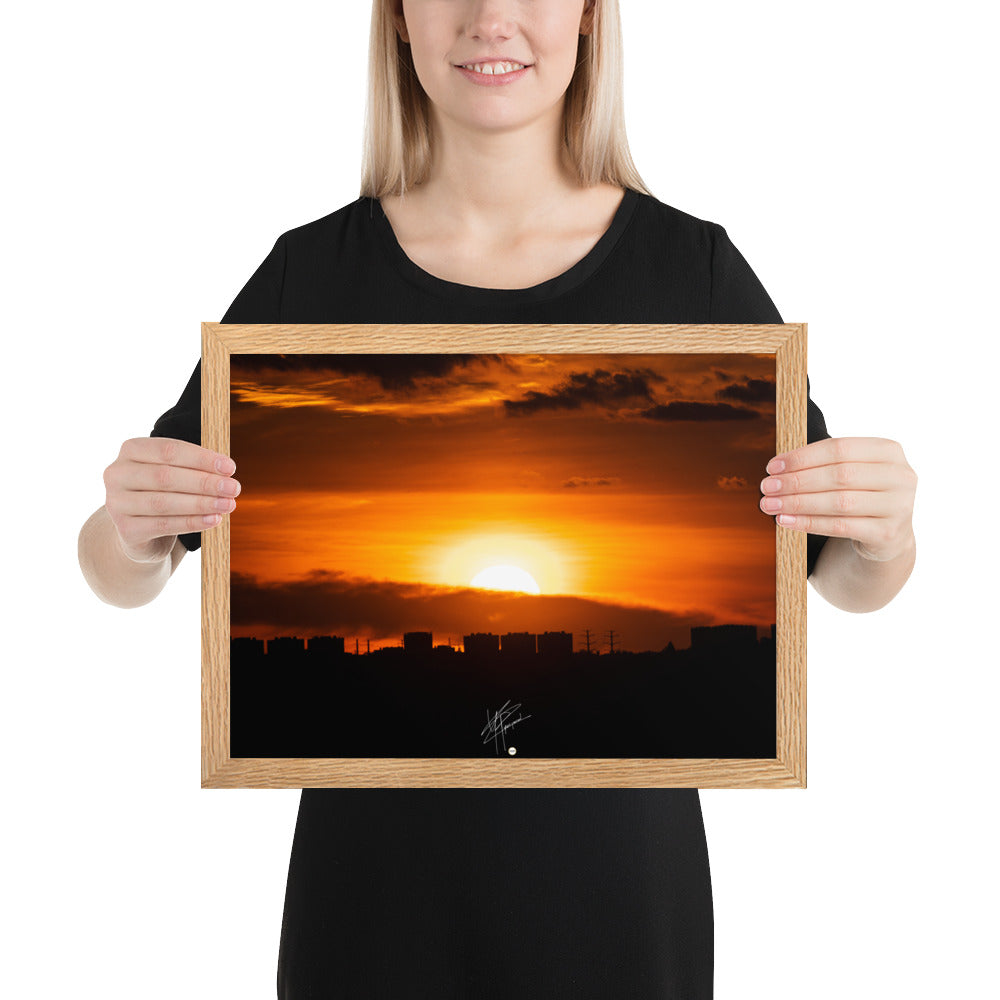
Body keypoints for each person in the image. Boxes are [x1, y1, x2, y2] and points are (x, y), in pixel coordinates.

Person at [78, 1, 918, 996]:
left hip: (618, 896)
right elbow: (123, 566)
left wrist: (884, 530)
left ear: (590, 18)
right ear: (396, 19)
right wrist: (131, 530)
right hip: (371, 896)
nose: (491, 19)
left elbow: (842, 576)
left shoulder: (690, 269)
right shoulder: (312, 272)